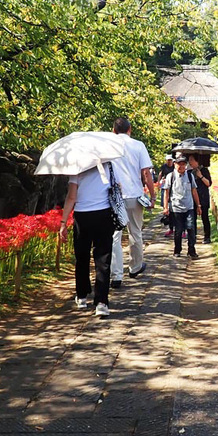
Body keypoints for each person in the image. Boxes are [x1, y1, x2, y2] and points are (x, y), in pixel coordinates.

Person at [59, 163, 116, 317]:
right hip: (103, 214)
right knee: (103, 259)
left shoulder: (77, 167)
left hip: (82, 216)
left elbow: (72, 197)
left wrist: (63, 222)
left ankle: (82, 296)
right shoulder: (108, 166)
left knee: (82, 256)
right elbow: (118, 187)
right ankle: (102, 302)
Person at [109, 118, 156, 288]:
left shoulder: (108, 145)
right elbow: (146, 173)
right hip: (135, 196)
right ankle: (135, 267)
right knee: (135, 233)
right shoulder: (138, 145)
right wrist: (152, 195)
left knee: (115, 235)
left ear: (113, 130)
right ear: (130, 129)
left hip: (114, 197)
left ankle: (116, 275)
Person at [162, 155, 202, 258]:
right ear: (175, 164)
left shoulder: (190, 176)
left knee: (191, 229)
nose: (182, 166)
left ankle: (191, 250)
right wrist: (165, 207)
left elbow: (194, 190)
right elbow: (166, 193)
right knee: (178, 230)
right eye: (179, 164)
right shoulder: (170, 176)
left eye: (184, 164)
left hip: (189, 207)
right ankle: (177, 250)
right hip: (176, 207)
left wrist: (198, 205)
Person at [187, 153, 212, 243]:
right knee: (192, 218)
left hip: (203, 197)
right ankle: (193, 237)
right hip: (193, 198)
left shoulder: (204, 170)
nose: (189, 162)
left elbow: (208, 183)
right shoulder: (189, 173)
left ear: (196, 161)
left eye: (191, 160)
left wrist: (200, 176)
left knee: (205, 218)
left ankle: (207, 237)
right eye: (189, 160)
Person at [157, 154, 174, 237]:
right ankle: (170, 227)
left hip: (173, 187)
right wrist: (159, 182)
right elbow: (160, 174)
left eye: (170, 160)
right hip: (166, 186)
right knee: (166, 206)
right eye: (168, 160)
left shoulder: (175, 166)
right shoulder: (164, 167)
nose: (169, 161)